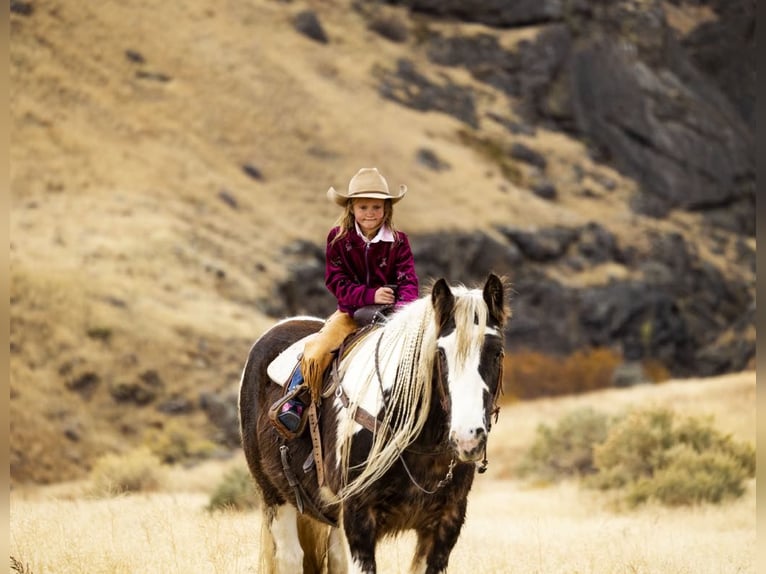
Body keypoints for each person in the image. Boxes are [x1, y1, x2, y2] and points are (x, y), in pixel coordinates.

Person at [275, 167, 420, 435]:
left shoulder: (398, 242)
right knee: (320, 348)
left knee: (419, 351)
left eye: (377, 207)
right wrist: (370, 295)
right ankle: (295, 398)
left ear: (386, 209)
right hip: (351, 313)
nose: (370, 213)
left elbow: (408, 281)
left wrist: (402, 311)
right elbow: (336, 282)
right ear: (352, 207)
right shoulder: (339, 239)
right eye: (363, 206)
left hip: (393, 315)